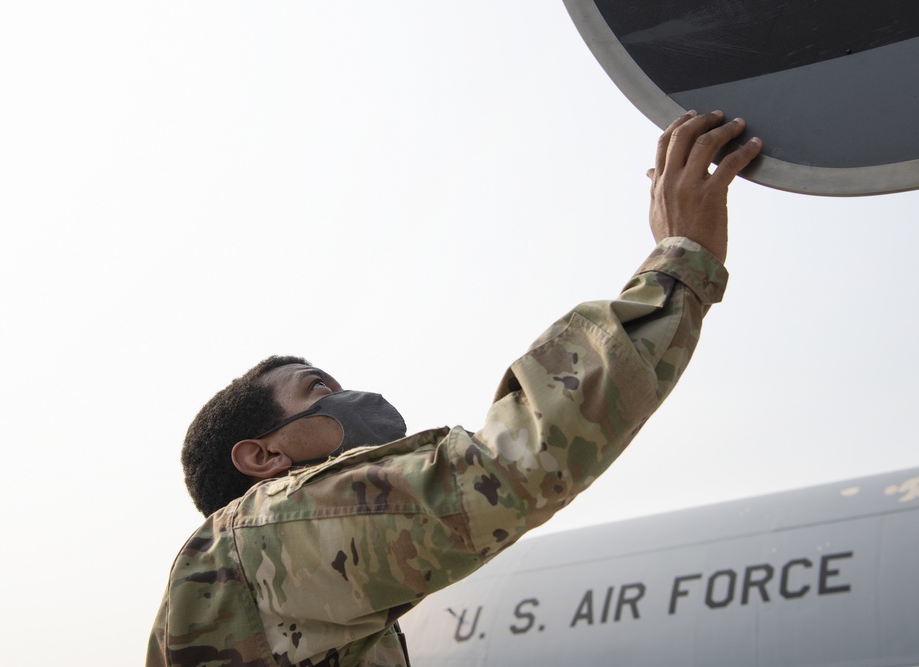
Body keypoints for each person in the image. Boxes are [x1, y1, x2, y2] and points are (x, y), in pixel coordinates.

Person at [147, 111, 762, 667]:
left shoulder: (297, 598)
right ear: (263, 456)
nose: (352, 399)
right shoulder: (257, 535)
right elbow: (511, 467)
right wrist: (682, 262)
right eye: (316, 390)